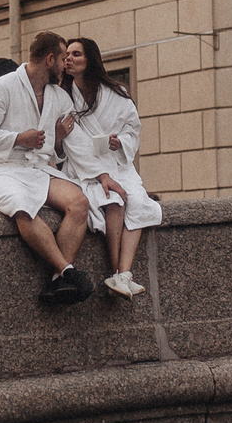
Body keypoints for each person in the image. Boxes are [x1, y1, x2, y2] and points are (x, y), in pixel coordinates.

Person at [0, 30, 94, 303]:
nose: (66, 65)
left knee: (79, 203)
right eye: (63, 58)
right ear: (50, 59)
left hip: (39, 169)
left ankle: (58, 282)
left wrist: (59, 140)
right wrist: (18, 138)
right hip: (3, 169)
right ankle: (67, 270)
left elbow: (62, 150)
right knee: (22, 205)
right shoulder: (2, 88)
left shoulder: (59, 98)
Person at [62, 37, 160, 299]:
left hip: (118, 162)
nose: (69, 59)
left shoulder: (117, 92)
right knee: (114, 200)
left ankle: (124, 274)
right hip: (86, 167)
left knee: (138, 202)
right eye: (67, 55)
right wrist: (99, 173)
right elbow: (73, 143)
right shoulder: (63, 97)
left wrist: (121, 142)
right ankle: (116, 270)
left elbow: (133, 128)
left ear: (90, 59)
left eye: (77, 54)